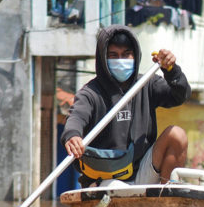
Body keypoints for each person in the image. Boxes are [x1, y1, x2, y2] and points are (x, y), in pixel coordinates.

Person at [62, 24, 191, 187]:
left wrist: (172, 71)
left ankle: (165, 198)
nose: (120, 61)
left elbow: (180, 96)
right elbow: (76, 116)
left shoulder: (147, 84)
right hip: (105, 178)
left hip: (143, 173)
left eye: (126, 55)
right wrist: (72, 135)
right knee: (115, 187)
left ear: (135, 56)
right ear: (103, 58)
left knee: (177, 135)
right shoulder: (91, 93)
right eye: (113, 55)